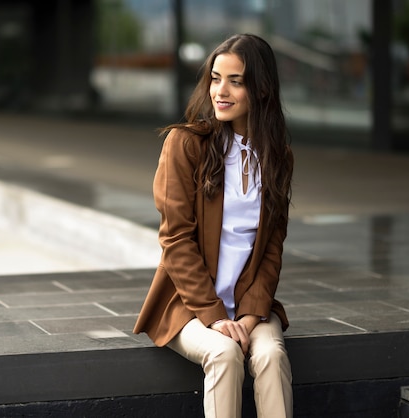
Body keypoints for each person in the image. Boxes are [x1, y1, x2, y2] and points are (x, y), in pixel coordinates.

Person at [133, 33, 294, 418]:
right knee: (223, 354)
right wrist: (216, 317)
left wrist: (251, 316)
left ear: (262, 88)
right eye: (215, 78)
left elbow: (272, 248)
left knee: (271, 354)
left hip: (249, 305)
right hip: (189, 305)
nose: (220, 91)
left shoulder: (278, 156)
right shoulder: (186, 145)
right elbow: (175, 240)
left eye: (235, 81)